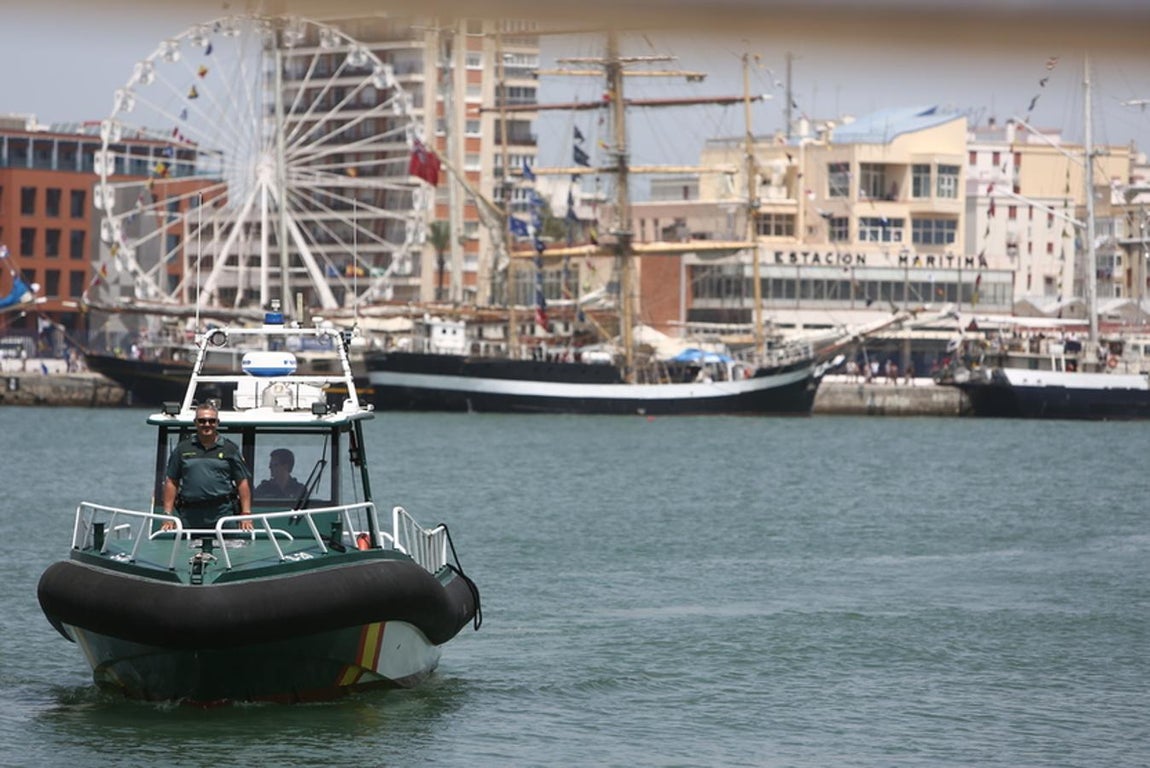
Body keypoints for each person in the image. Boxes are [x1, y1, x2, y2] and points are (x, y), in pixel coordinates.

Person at [162, 404, 252, 531]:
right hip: (190, 514)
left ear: (217, 423)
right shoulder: (182, 449)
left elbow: (242, 482)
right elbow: (172, 481)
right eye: (202, 421)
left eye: (211, 421)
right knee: (185, 550)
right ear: (195, 423)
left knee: (232, 549)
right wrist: (168, 515)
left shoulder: (230, 449)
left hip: (223, 513)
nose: (207, 424)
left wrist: (246, 514)